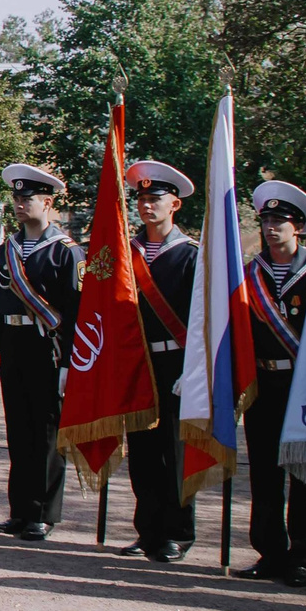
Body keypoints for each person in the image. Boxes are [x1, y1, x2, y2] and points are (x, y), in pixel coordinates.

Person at [234, 181, 306, 588]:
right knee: (265, 472)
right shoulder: (250, 272)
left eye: (280, 222)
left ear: (299, 227)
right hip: (264, 382)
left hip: (305, 385)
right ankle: (269, 551)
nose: (271, 228)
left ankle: (303, 556)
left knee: (305, 471)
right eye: (267, 220)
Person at [0, 163, 79, 540]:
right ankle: (20, 510)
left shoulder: (66, 253)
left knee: (46, 435)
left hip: (47, 350)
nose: (20, 205)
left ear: (48, 202)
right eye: (17, 198)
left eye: (28, 199)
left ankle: (43, 512)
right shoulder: (8, 247)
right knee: (18, 431)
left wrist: (70, 363)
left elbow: (75, 313)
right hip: (14, 346)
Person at [123, 159, 199, 562]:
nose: (147, 205)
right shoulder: (125, 252)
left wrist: (194, 368)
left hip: (177, 365)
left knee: (174, 451)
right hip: (138, 362)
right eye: (142, 198)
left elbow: (203, 319)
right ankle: (147, 529)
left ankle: (177, 531)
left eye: (156, 198)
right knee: (143, 451)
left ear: (175, 205)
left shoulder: (192, 256)